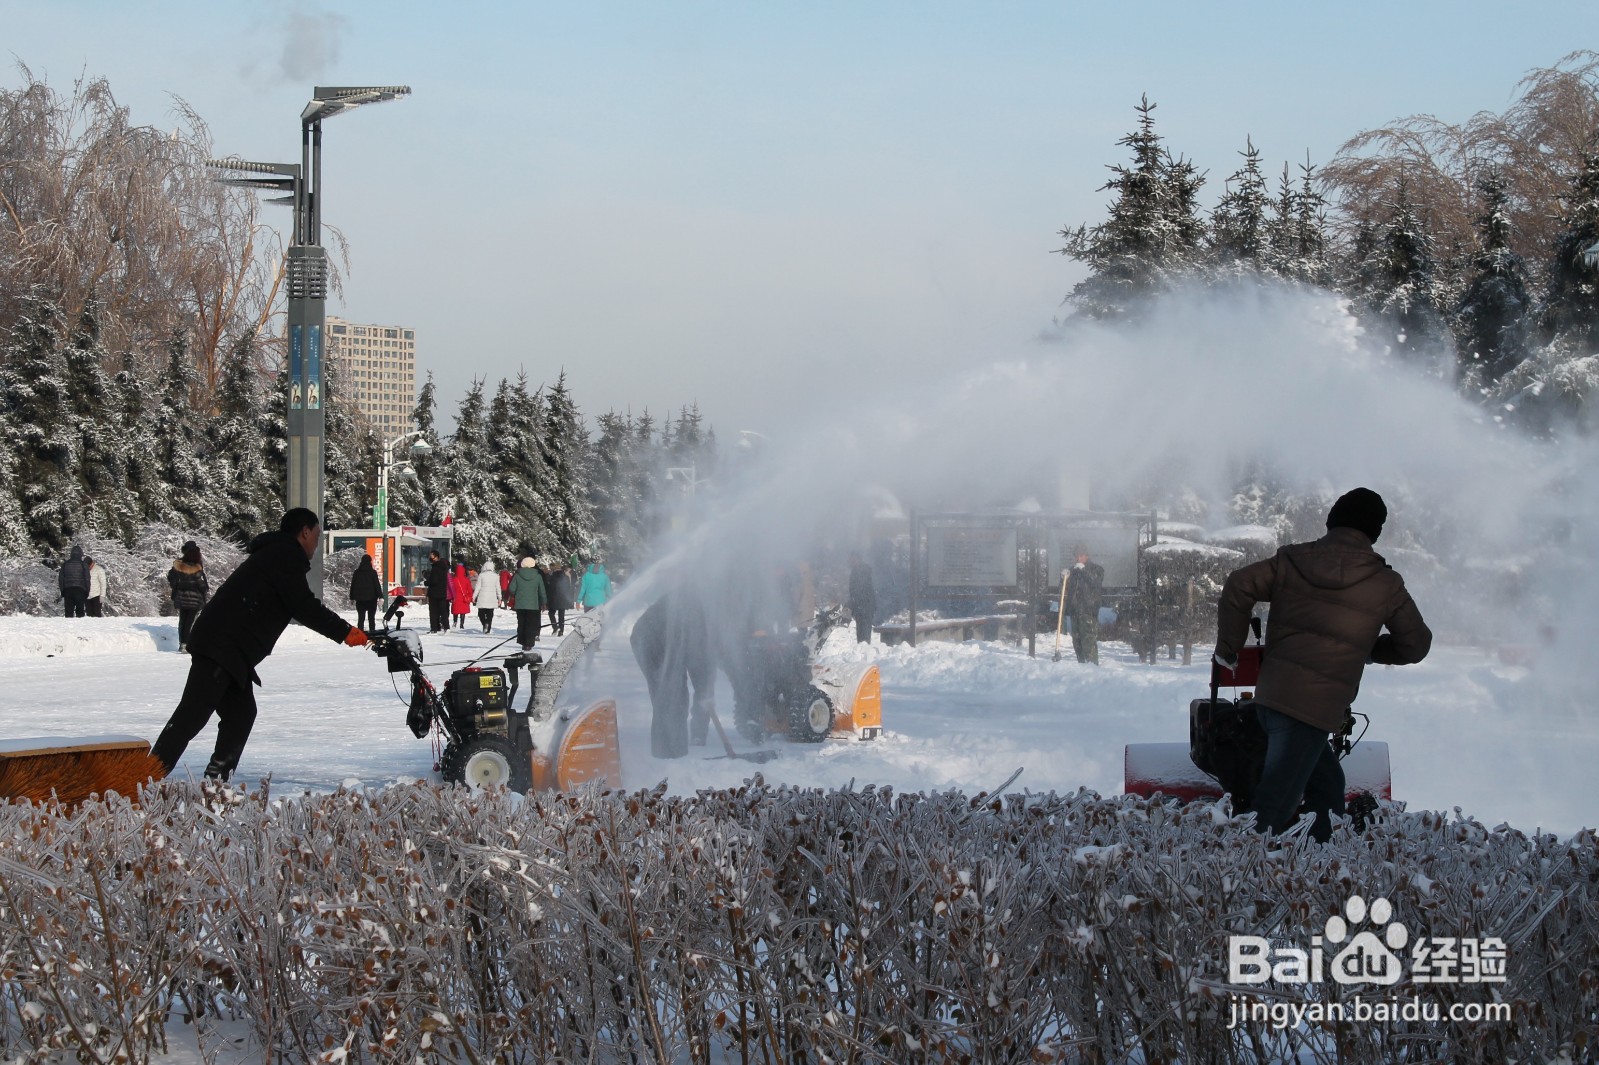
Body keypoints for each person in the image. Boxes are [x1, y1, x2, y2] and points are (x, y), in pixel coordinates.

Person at [1213, 487, 1432, 843]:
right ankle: (1238, 877)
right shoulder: (1385, 584)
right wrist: (1371, 650)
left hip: (1271, 701)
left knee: (1328, 788)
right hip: (1310, 711)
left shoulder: (1293, 561)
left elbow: (1239, 584)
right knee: (1272, 810)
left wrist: (1230, 649)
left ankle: (1316, 865)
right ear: (1375, 532)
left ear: (1331, 521)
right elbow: (1416, 645)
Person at [150, 509, 369, 782]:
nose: (317, 543)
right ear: (304, 532)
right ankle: (142, 781)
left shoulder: (277, 553)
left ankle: (215, 782)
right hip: (222, 646)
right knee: (191, 716)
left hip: (230, 650)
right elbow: (302, 605)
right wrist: (344, 632)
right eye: (317, 535)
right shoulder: (284, 555)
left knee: (241, 714)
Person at [630, 583, 715, 759]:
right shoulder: (695, 613)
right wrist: (704, 691)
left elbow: (699, 663)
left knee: (670, 696)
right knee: (673, 697)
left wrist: (704, 690)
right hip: (651, 644)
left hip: (652, 641)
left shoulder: (692, 604)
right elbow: (698, 664)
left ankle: (670, 749)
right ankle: (670, 752)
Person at [1063, 544, 1105, 665]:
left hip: (1088, 611)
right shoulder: (1073, 571)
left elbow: (1096, 583)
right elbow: (1065, 590)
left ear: (1087, 556)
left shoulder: (1097, 569)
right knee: (1077, 641)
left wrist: (1084, 571)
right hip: (1075, 611)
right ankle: (1082, 666)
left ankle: (1092, 666)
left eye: (1081, 555)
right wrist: (1064, 578)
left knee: (1088, 640)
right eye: (1076, 556)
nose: (1078, 558)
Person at [167, 541, 209, 651]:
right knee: (190, 621)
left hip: (181, 597)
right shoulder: (197, 567)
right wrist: (205, 589)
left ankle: (182, 643)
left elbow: (171, 577)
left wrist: (176, 586)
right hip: (195, 598)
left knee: (183, 620)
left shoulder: (178, 565)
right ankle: (186, 643)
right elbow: (201, 584)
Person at [507, 557, 548, 650]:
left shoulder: (517, 575)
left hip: (520, 604)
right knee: (531, 624)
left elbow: (511, 588)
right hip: (533, 604)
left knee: (522, 623)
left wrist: (517, 592)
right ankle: (529, 643)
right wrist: (544, 602)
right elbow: (542, 591)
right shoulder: (538, 576)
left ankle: (523, 641)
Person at [349, 553, 383, 632]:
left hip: (360, 600)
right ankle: (372, 633)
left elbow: (353, 585)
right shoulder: (372, 573)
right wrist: (380, 596)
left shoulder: (357, 572)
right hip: (372, 599)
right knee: (371, 619)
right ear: (370, 562)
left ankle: (360, 634)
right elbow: (377, 585)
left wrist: (352, 597)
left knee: (361, 619)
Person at [847, 553, 876, 644]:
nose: (850, 562)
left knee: (865, 632)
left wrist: (856, 603)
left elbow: (861, 590)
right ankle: (862, 647)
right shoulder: (855, 571)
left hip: (865, 607)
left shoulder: (863, 571)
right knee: (860, 632)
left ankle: (865, 649)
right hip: (860, 607)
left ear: (858, 559)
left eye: (852, 559)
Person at [57, 545, 90, 617]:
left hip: (68, 590)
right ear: (81, 554)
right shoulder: (83, 564)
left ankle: (69, 627)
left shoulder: (65, 564)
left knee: (68, 613)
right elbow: (87, 579)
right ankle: (80, 627)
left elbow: (61, 578)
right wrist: (87, 591)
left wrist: (62, 591)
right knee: (80, 612)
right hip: (80, 590)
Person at [425, 551, 450, 633]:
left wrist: (427, 582)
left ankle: (434, 628)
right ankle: (446, 627)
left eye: (431, 556)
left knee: (433, 612)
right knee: (443, 611)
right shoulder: (444, 567)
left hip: (434, 592)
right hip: (442, 592)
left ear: (436, 557)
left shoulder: (436, 567)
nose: (430, 557)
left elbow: (434, 580)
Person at [473, 560, 502, 633]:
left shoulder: (481, 575)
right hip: (492, 597)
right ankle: (488, 628)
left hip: (483, 597)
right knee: (490, 614)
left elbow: (477, 587)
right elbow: (498, 588)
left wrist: (474, 597)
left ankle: (484, 623)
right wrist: (499, 598)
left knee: (481, 613)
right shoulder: (496, 576)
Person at [546, 562, 573, 637]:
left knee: (551, 613)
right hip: (562, 598)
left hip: (553, 597)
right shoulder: (565, 576)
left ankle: (555, 627)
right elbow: (568, 587)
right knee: (561, 615)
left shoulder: (551, 576)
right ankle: (561, 630)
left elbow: (549, 588)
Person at [449, 563, 473, 629]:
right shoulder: (466, 579)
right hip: (464, 598)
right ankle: (462, 624)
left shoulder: (454, 579)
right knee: (463, 612)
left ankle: (455, 622)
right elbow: (470, 589)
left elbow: (451, 589)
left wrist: (451, 597)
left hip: (455, 598)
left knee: (455, 611)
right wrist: (471, 597)